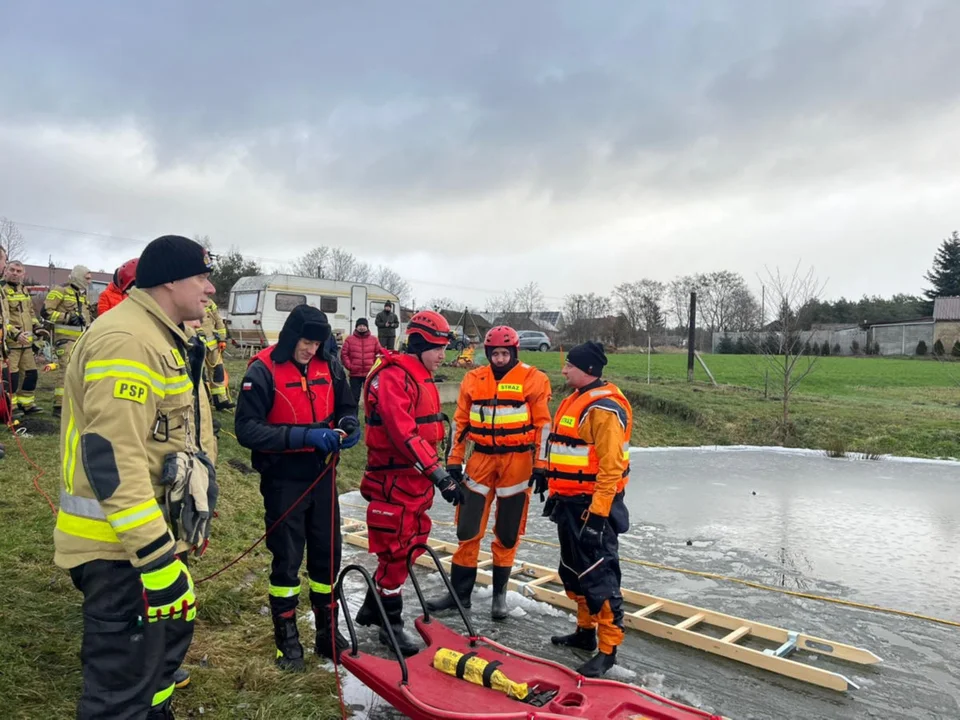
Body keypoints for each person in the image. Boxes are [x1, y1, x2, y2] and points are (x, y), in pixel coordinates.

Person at [54, 235, 219, 719]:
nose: (210, 289)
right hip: (121, 552)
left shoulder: (161, 333)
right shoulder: (128, 339)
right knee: (122, 689)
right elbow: (112, 455)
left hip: (152, 543)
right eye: (202, 277)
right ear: (170, 279)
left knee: (157, 668)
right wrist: (155, 556)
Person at [235, 304, 361, 671]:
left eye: (317, 344)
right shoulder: (262, 369)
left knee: (327, 556)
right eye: (306, 342)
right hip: (283, 480)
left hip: (323, 476)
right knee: (287, 560)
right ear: (291, 337)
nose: (311, 350)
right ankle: (287, 640)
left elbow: (346, 405)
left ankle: (326, 632)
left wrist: (349, 425)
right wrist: (304, 435)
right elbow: (247, 429)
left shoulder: (331, 366)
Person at [354, 310, 465, 656]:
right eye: (437, 349)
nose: (442, 356)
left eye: (444, 349)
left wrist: (437, 471)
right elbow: (403, 433)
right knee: (396, 550)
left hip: (414, 479)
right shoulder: (393, 376)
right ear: (419, 345)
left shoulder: (420, 374)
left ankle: (373, 609)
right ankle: (391, 623)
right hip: (394, 479)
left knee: (411, 544)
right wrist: (439, 475)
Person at [425, 326, 552, 619]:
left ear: (515, 352)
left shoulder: (534, 379)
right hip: (480, 459)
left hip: (517, 463)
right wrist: (454, 461)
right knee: (468, 528)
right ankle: (460, 596)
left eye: (505, 353)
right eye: (494, 353)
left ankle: (499, 598)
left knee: (507, 532)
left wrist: (541, 466)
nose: (499, 358)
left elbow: (543, 426)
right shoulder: (473, 378)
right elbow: (459, 422)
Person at [542, 341, 632, 678]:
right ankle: (584, 632)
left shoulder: (604, 409)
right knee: (573, 571)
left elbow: (611, 467)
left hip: (591, 505)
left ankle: (608, 651)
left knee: (600, 577)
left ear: (589, 370)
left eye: (570, 366)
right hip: (567, 501)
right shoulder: (576, 398)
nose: (564, 370)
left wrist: (598, 514)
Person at [43, 264, 93, 416]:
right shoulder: (60, 291)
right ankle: (59, 406)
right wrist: (67, 318)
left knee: (80, 372)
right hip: (65, 340)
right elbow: (45, 312)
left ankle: (75, 403)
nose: (89, 282)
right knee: (66, 371)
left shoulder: (82, 295)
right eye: (87, 278)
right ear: (78, 276)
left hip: (81, 340)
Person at [3, 260, 44, 414]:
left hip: (26, 342)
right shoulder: (2, 291)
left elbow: (30, 313)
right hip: (11, 343)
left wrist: (37, 327)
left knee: (30, 374)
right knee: (11, 378)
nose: (15, 273)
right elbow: (2, 320)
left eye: (18, 271)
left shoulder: (24, 290)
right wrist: (16, 334)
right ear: (6, 270)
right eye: (12, 270)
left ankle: (26, 404)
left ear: (23, 274)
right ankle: (10, 408)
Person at [198, 299, 234, 411]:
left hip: (213, 345)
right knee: (200, 375)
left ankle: (220, 400)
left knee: (218, 371)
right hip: (197, 346)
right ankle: (203, 401)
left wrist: (222, 339)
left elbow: (218, 320)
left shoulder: (209, 303)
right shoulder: (188, 299)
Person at [340, 317, 383, 403]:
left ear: (367, 327)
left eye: (364, 325)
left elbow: (379, 354)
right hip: (355, 374)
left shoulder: (374, 339)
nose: (362, 327)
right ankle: (354, 415)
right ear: (356, 327)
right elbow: (344, 354)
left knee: (370, 398)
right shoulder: (349, 339)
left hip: (370, 374)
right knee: (354, 398)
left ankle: (369, 416)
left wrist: (374, 367)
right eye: (360, 325)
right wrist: (350, 366)